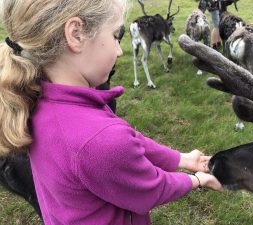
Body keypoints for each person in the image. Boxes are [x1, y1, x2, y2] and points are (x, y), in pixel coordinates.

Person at [0, 0, 223, 224]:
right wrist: (197, 180)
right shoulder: (99, 138)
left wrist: (183, 159)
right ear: (76, 34)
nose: (119, 51)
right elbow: (151, 188)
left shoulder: (44, 103)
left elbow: (132, 141)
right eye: (116, 36)